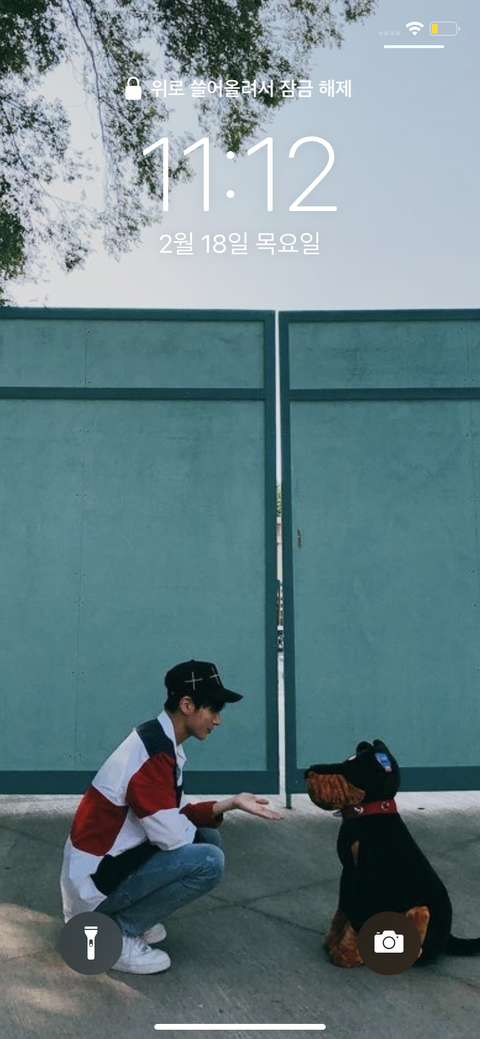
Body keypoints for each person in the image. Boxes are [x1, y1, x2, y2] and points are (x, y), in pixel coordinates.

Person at [60, 659, 281, 974]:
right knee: (208, 861)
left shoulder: (158, 739)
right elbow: (172, 837)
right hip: (94, 885)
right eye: (214, 709)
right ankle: (121, 934)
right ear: (187, 705)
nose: (218, 720)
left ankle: (128, 917)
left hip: (105, 868)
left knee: (207, 837)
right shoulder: (153, 754)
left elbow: (177, 813)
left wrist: (231, 803)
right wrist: (192, 826)